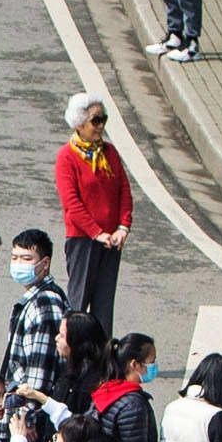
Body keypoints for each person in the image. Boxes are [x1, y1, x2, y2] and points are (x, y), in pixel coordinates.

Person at [57, 96, 134, 337]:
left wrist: (123, 226)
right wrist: (96, 232)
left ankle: (102, 356)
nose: (101, 126)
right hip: (83, 239)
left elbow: (124, 190)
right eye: (95, 121)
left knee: (104, 303)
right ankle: (72, 351)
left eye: (103, 119)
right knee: (79, 301)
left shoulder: (109, 153)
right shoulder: (67, 157)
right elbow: (72, 203)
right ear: (79, 124)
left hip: (111, 240)